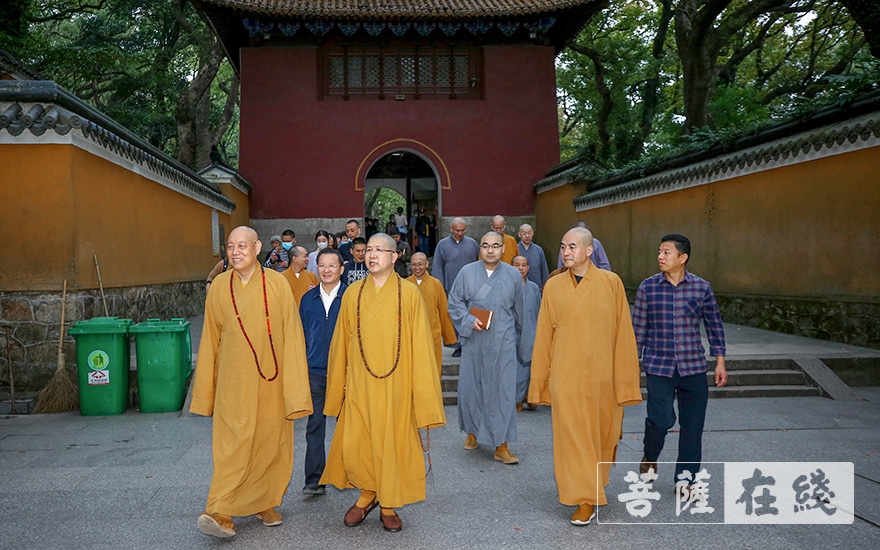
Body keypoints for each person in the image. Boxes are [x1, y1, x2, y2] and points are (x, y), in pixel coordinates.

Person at [190, 226, 312, 539]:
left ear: (257, 247)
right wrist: (206, 391)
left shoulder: (277, 284)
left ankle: (264, 501)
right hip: (233, 384)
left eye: (242, 245)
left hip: (272, 379)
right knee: (232, 446)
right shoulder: (218, 286)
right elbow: (210, 342)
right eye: (230, 246)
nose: (236, 252)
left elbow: (293, 336)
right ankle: (220, 510)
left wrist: (295, 391)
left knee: (270, 443)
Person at [321, 233, 446, 533]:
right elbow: (341, 345)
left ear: (395, 256)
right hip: (361, 385)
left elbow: (421, 346)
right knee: (359, 443)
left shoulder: (409, 293)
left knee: (391, 442)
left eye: (380, 250)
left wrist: (423, 397)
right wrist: (336, 391)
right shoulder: (352, 293)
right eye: (369, 250)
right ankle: (367, 494)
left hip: (397, 385)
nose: (373, 254)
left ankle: (387, 503)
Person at [528, 227, 641, 526]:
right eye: (563, 246)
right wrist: (540, 382)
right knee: (572, 439)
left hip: (603, 378)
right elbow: (543, 338)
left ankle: (594, 483)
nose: (566, 252)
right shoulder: (552, 286)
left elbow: (624, 336)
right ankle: (584, 499)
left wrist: (626, 382)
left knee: (602, 437)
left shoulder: (611, 283)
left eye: (573, 246)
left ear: (589, 251)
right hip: (566, 377)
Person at [632, 234, 727, 491]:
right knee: (659, 420)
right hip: (659, 366)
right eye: (659, 252)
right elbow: (637, 329)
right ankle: (650, 455)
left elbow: (714, 325)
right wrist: (631, 365)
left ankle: (686, 480)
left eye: (666, 252)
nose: (660, 257)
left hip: (693, 367)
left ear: (682, 258)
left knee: (693, 427)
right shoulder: (648, 287)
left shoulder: (701, 287)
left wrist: (720, 361)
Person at [448, 231, 523, 465]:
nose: (490, 250)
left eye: (495, 246)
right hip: (475, 342)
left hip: (504, 341)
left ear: (503, 249)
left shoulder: (513, 275)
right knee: (473, 389)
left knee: (503, 392)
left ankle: (502, 445)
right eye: (485, 246)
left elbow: (520, 312)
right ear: (479, 249)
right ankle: (472, 432)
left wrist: (525, 345)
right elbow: (454, 302)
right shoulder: (466, 272)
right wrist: (470, 321)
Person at [299, 247, 347, 497]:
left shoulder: (351, 297)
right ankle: (315, 479)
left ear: (341, 268)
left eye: (332, 266)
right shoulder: (308, 300)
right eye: (322, 265)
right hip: (316, 370)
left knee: (347, 426)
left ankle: (348, 473)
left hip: (346, 373)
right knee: (315, 424)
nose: (326, 270)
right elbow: (302, 336)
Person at [432, 217, 480, 357]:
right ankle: (458, 345)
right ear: (451, 229)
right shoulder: (443, 244)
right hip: (451, 285)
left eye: (463, 230)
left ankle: (469, 344)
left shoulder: (472, 244)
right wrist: (440, 286)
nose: (460, 233)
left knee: (470, 314)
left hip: (470, 286)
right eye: (457, 230)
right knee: (455, 316)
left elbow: (478, 263)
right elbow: (438, 266)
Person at [406, 252, 457, 374]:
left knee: (432, 368)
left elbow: (444, 310)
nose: (417, 268)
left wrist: (449, 336)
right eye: (414, 265)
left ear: (427, 264)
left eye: (420, 264)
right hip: (411, 335)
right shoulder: (406, 284)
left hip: (432, 333)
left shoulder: (436, 284)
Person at [512, 255, 541, 412]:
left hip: (532, 331)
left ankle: (531, 396)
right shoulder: (508, 287)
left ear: (528, 268)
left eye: (524, 265)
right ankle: (517, 398)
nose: (521, 268)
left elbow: (539, 311)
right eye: (517, 265)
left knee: (533, 366)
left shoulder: (534, 288)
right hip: (514, 333)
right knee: (517, 367)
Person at [517, 224, 550, 289]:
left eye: (529, 233)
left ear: (533, 233)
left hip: (537, 286)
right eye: (524, 233)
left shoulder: (538, 250)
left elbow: (544, 270)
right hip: (519, 287)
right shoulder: (515, 248)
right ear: (519, 234)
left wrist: (545, 286)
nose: (527, 236)